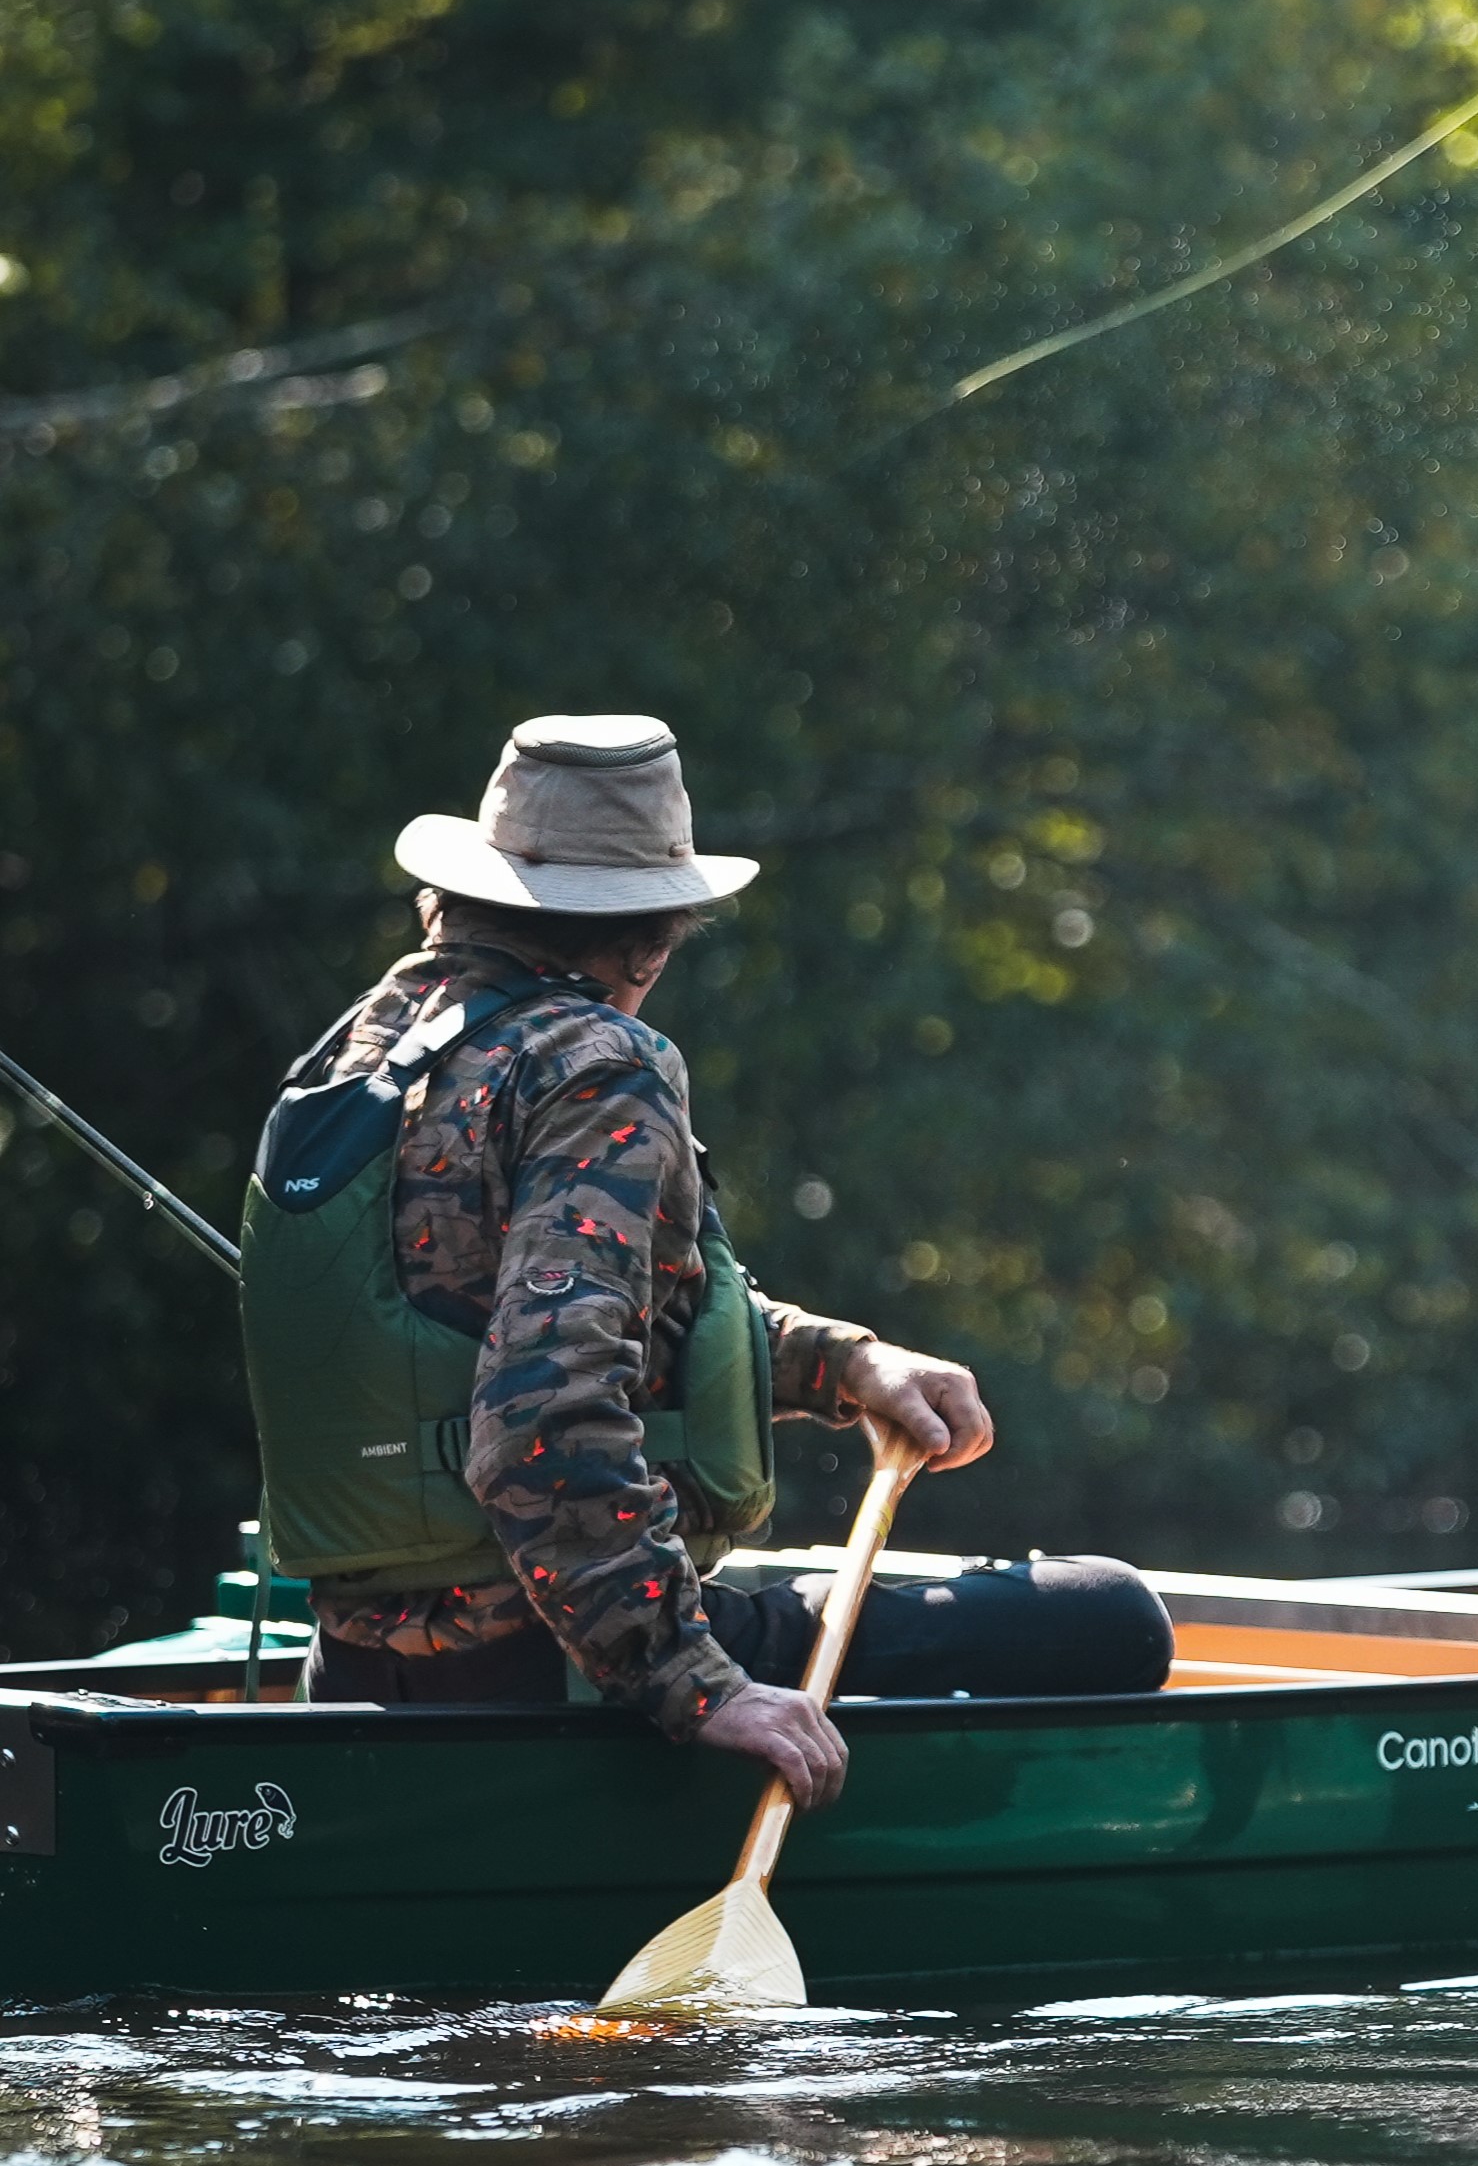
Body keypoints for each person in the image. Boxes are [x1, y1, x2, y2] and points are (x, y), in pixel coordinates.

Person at [240, 714, 1171, 1804]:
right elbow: (541, 1412)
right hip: (552, 1669)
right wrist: (696, 1682)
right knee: (1104, 1615)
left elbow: (504, 1327)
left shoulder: (362, 1052)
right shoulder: (600, 1066)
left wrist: (846, 1366)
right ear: (653, 935)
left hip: (358, 1671)